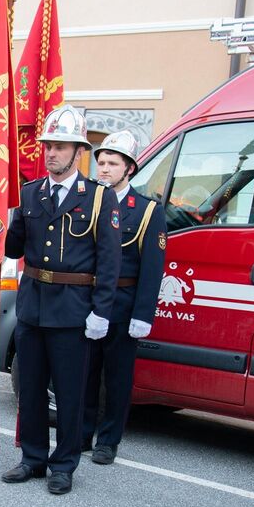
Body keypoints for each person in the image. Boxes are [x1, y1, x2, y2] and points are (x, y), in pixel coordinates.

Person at [0, 104, 121, 495]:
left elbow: (109, 261)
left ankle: (64, 464)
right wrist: (3, 220)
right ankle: (33, 457)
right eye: (48, 146)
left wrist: (101, 312)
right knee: (31, 389)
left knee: (70, 393)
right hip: (33, 305)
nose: (51, 153)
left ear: (78, 152)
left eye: (60, 146)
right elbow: (15, 248)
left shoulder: (99, 198)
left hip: (73, 309)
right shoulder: (30, 193)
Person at [82, 131, 167, 464]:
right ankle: (82, 433)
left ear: (129, 168)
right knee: (85, 374)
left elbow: (152, 268)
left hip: (122, 304)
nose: (104, 169)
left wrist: (142, 315)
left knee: (117, 378)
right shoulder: (87, 202)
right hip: (88, 303)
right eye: (101, 162)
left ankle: (108, 441)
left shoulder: (146, 210)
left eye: (112, 163)